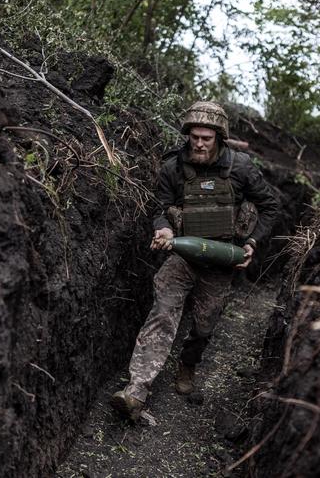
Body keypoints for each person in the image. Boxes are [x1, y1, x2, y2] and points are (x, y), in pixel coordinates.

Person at [110, 101, 279, 421]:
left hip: (221, 260)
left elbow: (270, 207)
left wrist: (253, 242)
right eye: (195, 137)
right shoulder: (173, 167)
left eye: (207, 138)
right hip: (183, 256)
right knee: (162, 313)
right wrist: (161, 226)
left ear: (220, 136)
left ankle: (187, 365)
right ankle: (137, 389)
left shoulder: (241, 168)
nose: (199, 143)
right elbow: (160, 207)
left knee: (203, 327)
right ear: (188, 135)